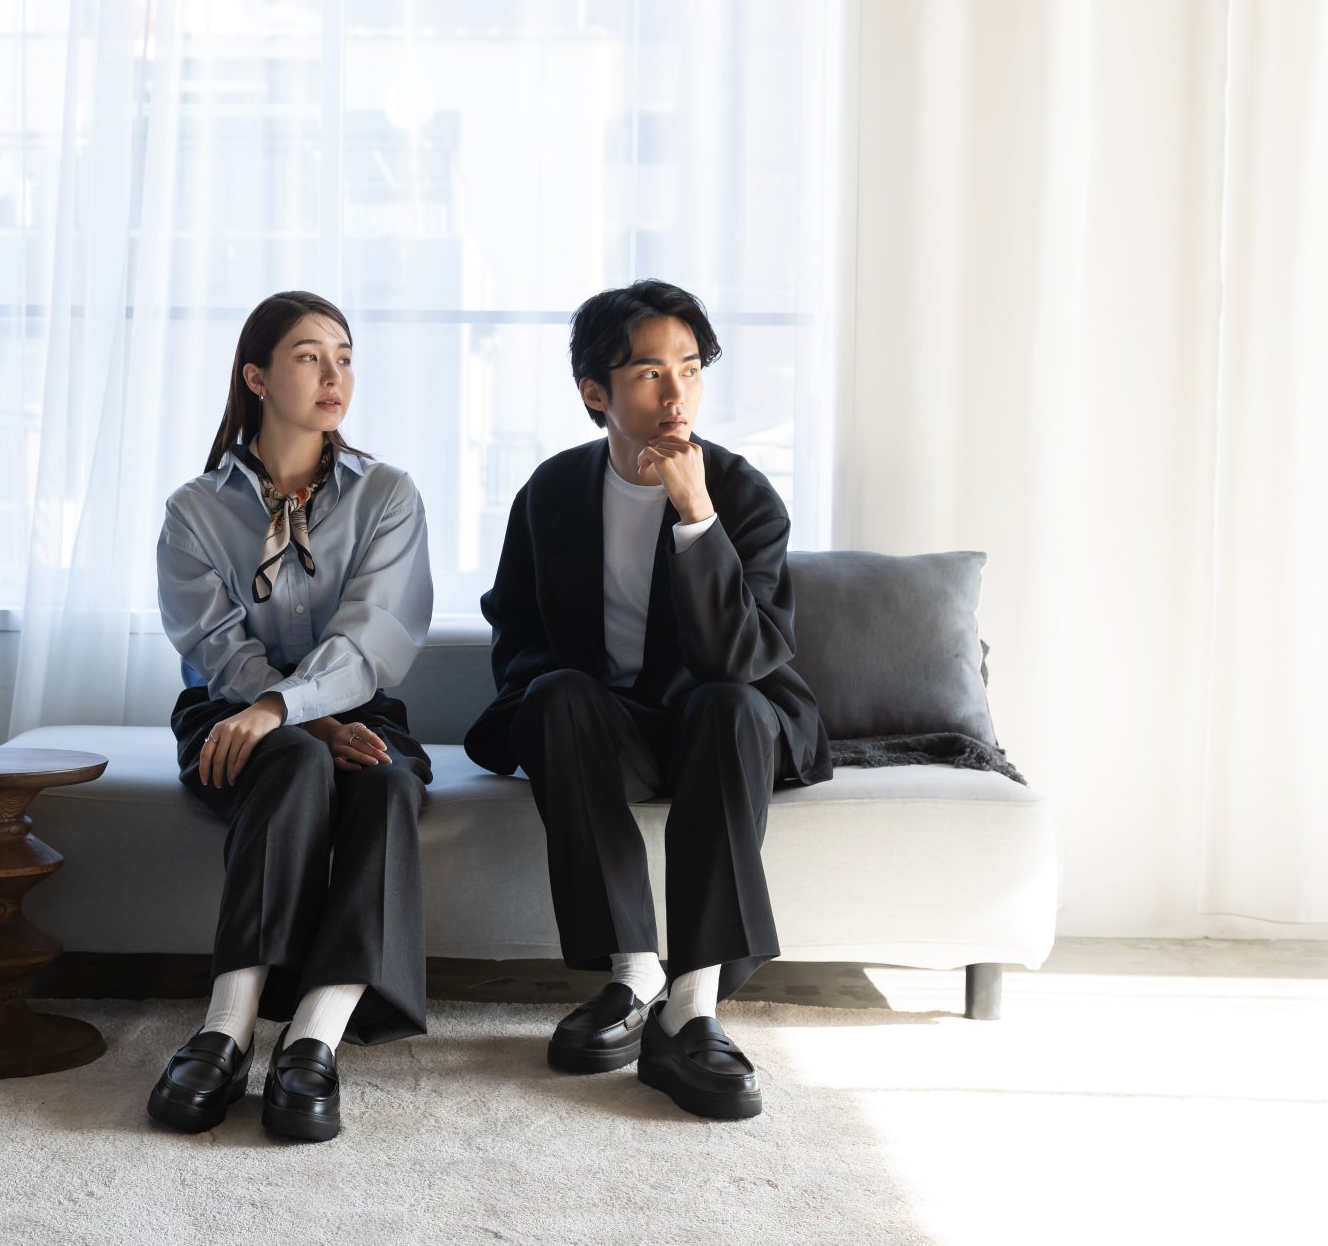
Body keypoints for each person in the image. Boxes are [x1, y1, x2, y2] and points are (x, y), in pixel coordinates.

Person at [464, 279, 833, 1120]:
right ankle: (632, 977)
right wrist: (561, 703)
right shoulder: (552, 492)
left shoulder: (741, 493)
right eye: (649, 373)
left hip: (722, 724)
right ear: (596, 392)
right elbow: (515, 628)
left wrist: (695, 513)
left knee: (730, 706)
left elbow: (740, 659)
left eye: (691, 369)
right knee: (553, 695)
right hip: (614, 727)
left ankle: (691, 1009)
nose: (677, 395)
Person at [146, 291, 433, 1143]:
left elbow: (372, 638)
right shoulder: (194, 512)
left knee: (386, 784)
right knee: (298, 758)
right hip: (229, 713)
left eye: (344, 357)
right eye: (310, 357)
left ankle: (313, 1038)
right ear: (257, 378)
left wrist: (294, 707)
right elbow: (220, 651)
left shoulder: (388, 495)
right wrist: (291, 721)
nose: (334, 375)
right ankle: (226, 1029)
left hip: (358, 707)